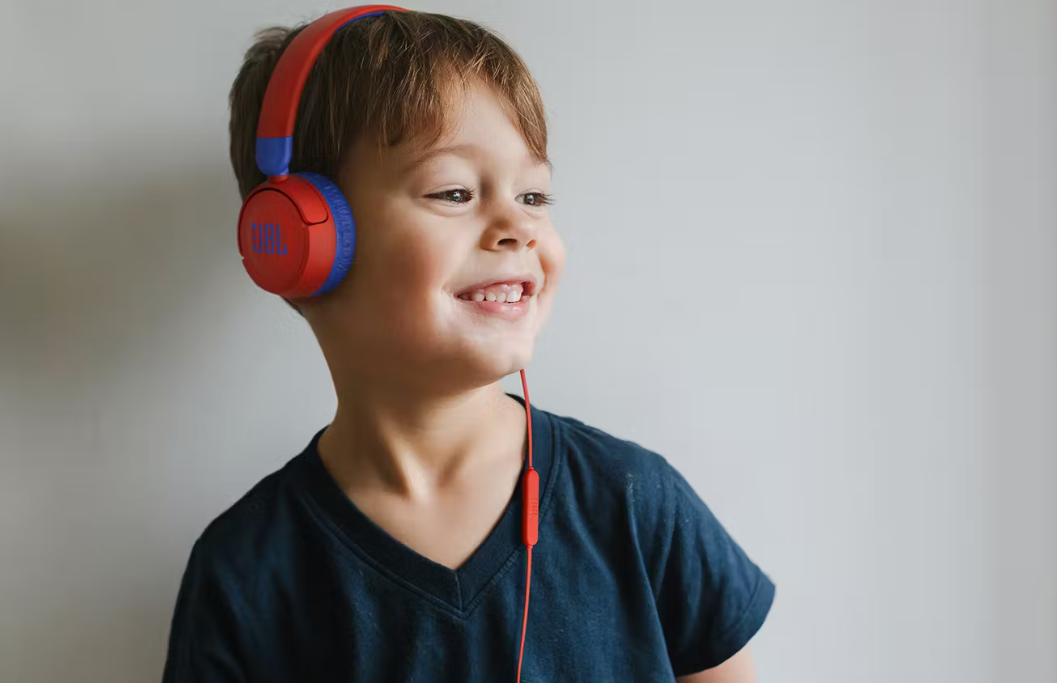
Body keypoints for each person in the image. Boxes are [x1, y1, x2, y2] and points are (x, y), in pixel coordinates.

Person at [162, 7, 774, 682]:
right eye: (454, 192)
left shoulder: (635, 503)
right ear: (302, 245)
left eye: (534, 195)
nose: (518, 226)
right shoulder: (245, 573)